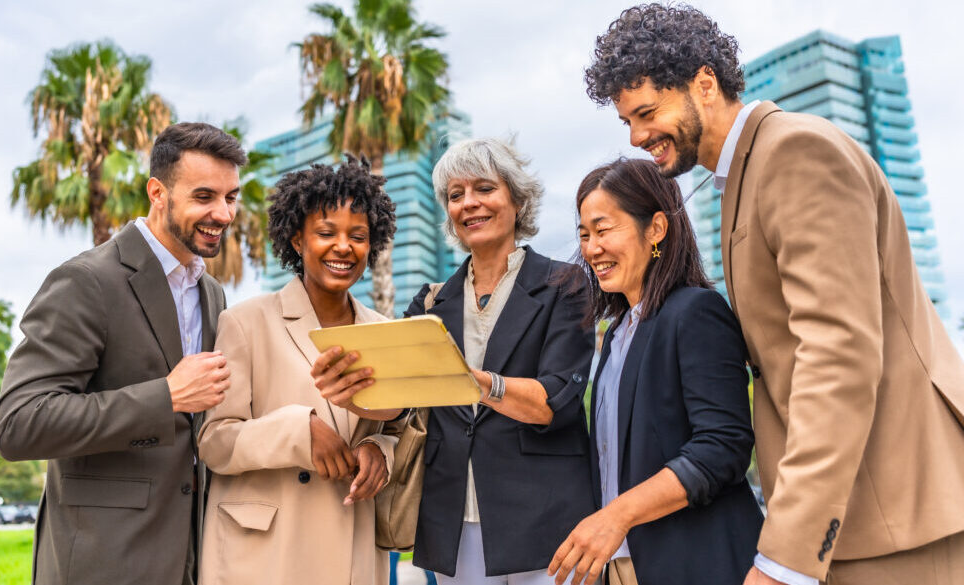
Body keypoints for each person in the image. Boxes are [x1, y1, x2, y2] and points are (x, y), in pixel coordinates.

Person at [584, 4, 964, 585]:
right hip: (857, 518)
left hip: (895, 514)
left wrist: (785, 555)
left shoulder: (793, 152)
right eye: (627, 122)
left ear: (704, 83)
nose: (638, 137)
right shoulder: (742, 177)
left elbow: (837, 356)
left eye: (647, 112)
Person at [0, 122, 246, 585]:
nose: (224, 214)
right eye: (205, 196)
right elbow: (19, 423)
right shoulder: (87, 281)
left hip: (190, 560)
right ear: (158, 192)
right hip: (102, 561)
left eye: (231, 197)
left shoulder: (211, 293)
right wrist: (165, 397)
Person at [548, 158, 762, 585]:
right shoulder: (615, 334)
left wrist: (618, 516)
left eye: (604, 230)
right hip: (629, 564)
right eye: (584, 235)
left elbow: (723, 447)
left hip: (699, 560)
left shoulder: (695, 311)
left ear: (657, 229)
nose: (591, 249)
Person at [400, 137, 597, 583]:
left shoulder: (564, 285)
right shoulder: (430, 302)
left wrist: (473, 381)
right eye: (456, 195)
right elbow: (402, 399)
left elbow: (555, 402)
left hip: (547, 518)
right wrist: (358, 387)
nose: (469, 203)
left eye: (484, 189)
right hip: (452, 516)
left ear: (517, 198)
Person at [197, 158, 402, 585]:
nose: (343, 247)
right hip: (265, 555)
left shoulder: (385, 333)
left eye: (358, 236)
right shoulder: (245, 322)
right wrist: (299, 431)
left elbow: (404, 429)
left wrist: (380, 452)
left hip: (351, 547)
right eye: (326, 233)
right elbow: (215, 442)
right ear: (297, 240)